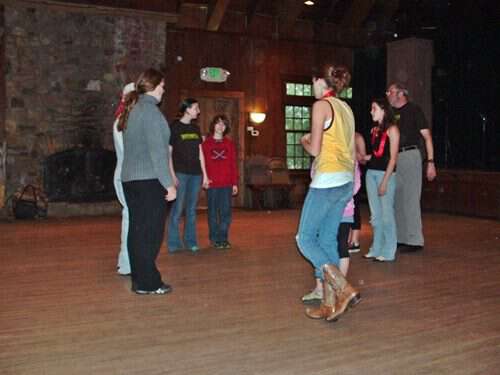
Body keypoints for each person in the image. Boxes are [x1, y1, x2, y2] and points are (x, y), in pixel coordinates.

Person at [296, 64, 360, 322]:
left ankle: (343, 287)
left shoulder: (322, 105)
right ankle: (330, 305)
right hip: (345, 180)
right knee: (328, 241)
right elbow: (353, 153)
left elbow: (315, 150)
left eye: (312, 82)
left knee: (305, 238)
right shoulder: (346, 108)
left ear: (318, 81)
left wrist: (303, 140)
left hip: (327, 180)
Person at [120, 68, 176, 295]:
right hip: (148, 180)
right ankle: (148, 282)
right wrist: (169, 184)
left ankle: (140, 280)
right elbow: (157, 152)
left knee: (137, 231)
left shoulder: (134, 109)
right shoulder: (150, 111)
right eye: (162, 86)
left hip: (131, 180)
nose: (164, 91)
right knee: (150, 234)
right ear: (153, 86)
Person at [386, 83, 437, 252]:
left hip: (410, 155)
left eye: (391, 91)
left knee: (411, 198)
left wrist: (430, 162)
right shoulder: (391, 114)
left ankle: (415, 240)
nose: (388, 94)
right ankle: (401, 237)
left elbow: (427, 137)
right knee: (397, 198)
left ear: (401, 93)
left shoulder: (414, 110)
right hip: (394, 157)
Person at [167, 98, 209, 253]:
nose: (198, 111)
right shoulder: (175, 127)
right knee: (177, 209)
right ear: (187, 109)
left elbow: (200, 153)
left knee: (191, 210)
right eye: (196, 108)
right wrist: (171, 175)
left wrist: (204, 175)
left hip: (196, 174)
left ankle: (191, 241)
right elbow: (168, 153)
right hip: (180, 173)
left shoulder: (196, 129)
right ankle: (173, 243)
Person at [363, 98, 400, 262]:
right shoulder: (375, 130)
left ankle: (389, 250)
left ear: (383, 110)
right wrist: (364, 157)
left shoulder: (393, 130)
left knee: (386, 215)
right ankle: (376, 248)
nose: (371, 111)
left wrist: (385, 181)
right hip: (371, 174)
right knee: (375, 215)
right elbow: (377, 154)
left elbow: (392, 159)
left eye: (374, 108)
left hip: (386, 175)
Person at [201, 115, 239, 249]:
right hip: (212, 184)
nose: (220, 126)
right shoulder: (206, 144)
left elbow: (233, 164)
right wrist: (204, 179)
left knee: (225, 212)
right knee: (212, 212)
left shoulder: (229, 144)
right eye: (218, 123)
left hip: (226, 184)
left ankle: (223, 238)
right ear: (213, 125)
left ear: (226, 127)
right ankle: (214, 238)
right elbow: (202, 163)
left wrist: (234, 183)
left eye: (223, 124)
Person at [113, 82, 135, 276]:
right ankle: (127, 262)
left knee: (131, 218)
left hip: (128, 174)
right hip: (127, 175)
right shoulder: (122, 121)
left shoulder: (126, 120)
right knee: (130, 218)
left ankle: (127, 260)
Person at [347, 132, 367, 254]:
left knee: (354, 209)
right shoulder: (340, 133)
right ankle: (346, 238)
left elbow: (364, 160)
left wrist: (356, 154)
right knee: (345, 209)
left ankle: (355, 241)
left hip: (354, 176)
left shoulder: (358, 137)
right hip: (341, 175)